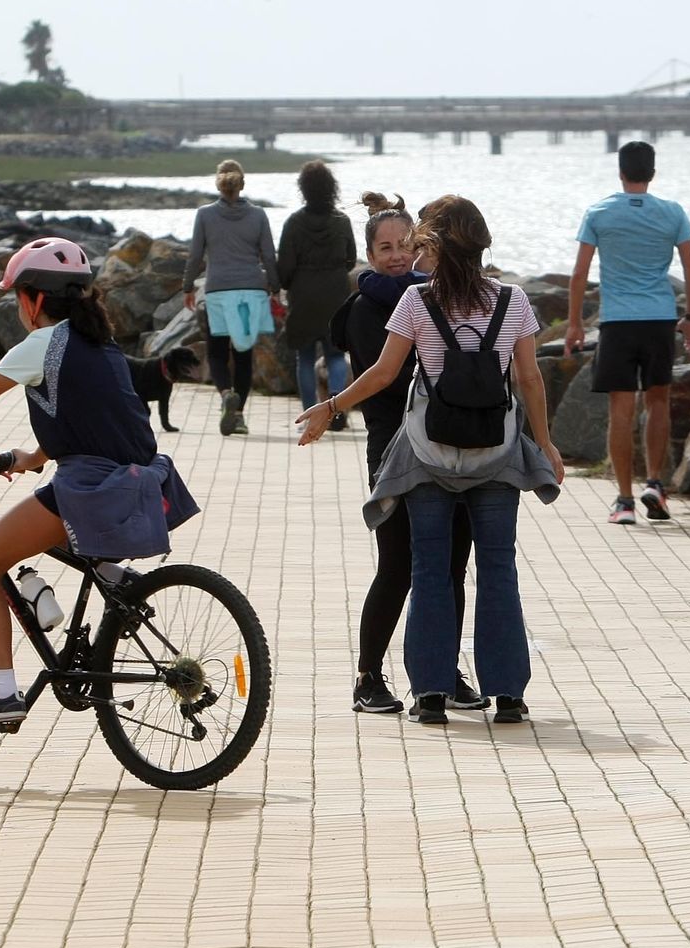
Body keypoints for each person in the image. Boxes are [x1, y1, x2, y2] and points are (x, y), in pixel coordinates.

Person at [0, 237, 197, 725]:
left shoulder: (44, 343)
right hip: (139, 482)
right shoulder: (101, 344)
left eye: (18, 297)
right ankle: (118, 583)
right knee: (45, 534)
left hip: (93, 489)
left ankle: (1, 692)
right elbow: (94, 418)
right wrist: (33, 457)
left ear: (34, 300)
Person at [299, 196, 562, 726]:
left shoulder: (416, 302)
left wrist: (330, 407)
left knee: (429, 570)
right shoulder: (512, 300)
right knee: (498, 570)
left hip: (429, 455)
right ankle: (508, 695)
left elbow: (382, 374)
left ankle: (431, 694)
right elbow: (529, 378)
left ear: (434, 247)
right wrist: (546, 442)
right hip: (496, 455)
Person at [330, 193, 481, 715]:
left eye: (404, 245)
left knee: (452, 568)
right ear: (370, 254)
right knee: (397, 565)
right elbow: (386, 380)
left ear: (419, 246)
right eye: (385, 248)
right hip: (394, 448)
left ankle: (444, 671)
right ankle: (368, 676)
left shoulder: (438, 299)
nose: (397, 256)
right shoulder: (364, 309)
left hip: (449, 444)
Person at [565, 140, 690, 525]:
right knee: (658, 402)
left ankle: (624, 502)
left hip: (617, 322)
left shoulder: (599, 212)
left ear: (621, 172)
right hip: (659, 320)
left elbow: (579, 274)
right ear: (652, 173)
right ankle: (655, 484)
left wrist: (574, 323)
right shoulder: (672, 212)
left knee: (621, 410)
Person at [182, 159, 278, 436]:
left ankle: (226, 394)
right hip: (251, 290)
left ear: (219, 184)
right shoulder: (258, 215)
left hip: (218, 291)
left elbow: (195, 255)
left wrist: (187, 286)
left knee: (216, 352)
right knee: (244, 356)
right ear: (242, 183)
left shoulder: (204, 215)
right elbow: (268, 255)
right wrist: (275, 286)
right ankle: (238, 415)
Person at [277, 160, 357, 425]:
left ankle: (310, 416)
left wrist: (287, 284)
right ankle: (335, 407)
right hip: (335, 293)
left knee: (305, 357)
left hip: (303, 294)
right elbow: (351, 257)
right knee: (335, 355)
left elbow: (284, 266)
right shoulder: (341, 221)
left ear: (303, 189)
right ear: (331, 187)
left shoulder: (294, 223)